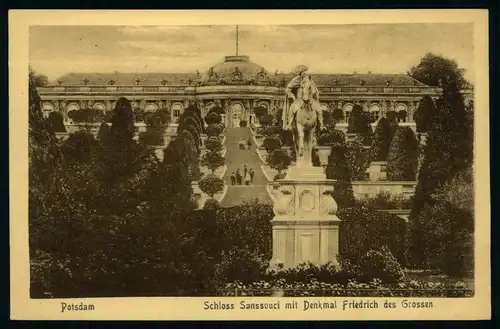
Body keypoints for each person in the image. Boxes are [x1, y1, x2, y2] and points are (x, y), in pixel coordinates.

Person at [282, 64, 326, 131]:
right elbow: (287, 89)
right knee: (292, 109)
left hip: (310, 100)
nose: (306, 72)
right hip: (300, 100)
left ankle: (322, 125)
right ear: (300, 72)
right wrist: (293, 96)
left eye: (306, 71)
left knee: (319, 110)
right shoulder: (296, 79)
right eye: (304, 71)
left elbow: (314, 88)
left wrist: (315, 93)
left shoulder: (309, 79)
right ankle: (289, 124)